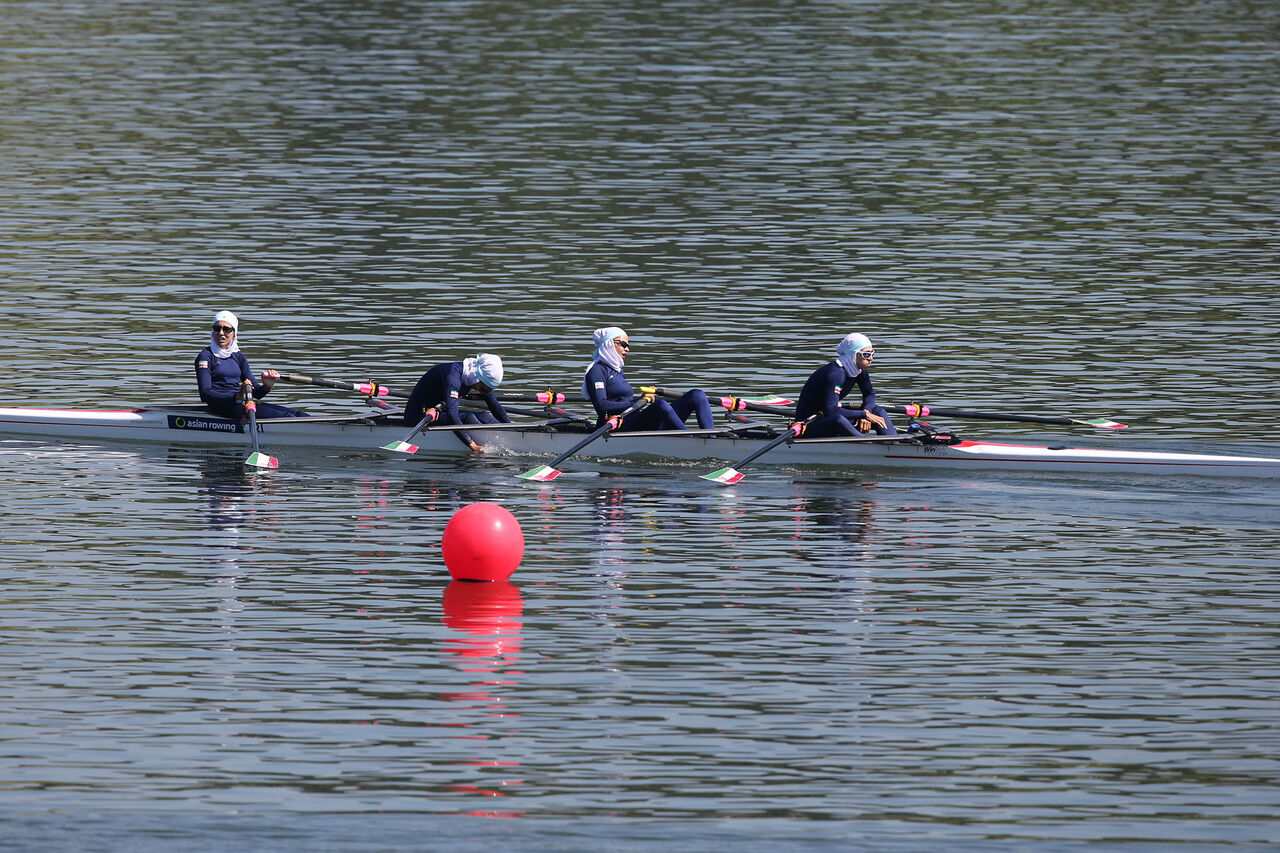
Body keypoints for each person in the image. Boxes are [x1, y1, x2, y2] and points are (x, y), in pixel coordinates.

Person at [582, 327, 714, 431]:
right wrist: (638, 402)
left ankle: (711, 440)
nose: (628, 349)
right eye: (623, 344)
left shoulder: (616, 370)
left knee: (696, 395)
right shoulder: (596, 371)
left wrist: (642, 399)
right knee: (660, 406)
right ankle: (690, 444)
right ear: (609, 344)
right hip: (616, 425)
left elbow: (624, 400)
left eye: (628, 345)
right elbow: (602, 406)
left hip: (633, 420)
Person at [195, 310, 308, 419]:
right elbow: (205, 394)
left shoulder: (238, 356)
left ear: (234, 333)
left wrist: (266, 386)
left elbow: (256, 393)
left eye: (226, 329)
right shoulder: (205, 357)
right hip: (221, 408)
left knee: (297, 414)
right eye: (217, 328)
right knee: (287, 417)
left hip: (241, 404)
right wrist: (237, 396)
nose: (221, 333)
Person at [794, 332, 897, 438]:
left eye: (872, 353)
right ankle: (870, 448)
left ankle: (894, 445)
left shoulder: (859, 370)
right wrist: (864, 415)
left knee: (878, 411)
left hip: (827, 417)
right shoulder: (836, 374)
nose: (871, 358)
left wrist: (867, 412)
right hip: (807, 425)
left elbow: (869, 394)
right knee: (839, 419)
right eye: (866, 354)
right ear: (853, 355)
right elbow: (831, 410)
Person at [403, 354, 509, 451]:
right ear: (478, 378)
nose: (481, 392)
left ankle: (510, 436)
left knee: (485, 415)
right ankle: (490, 444)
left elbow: (495, 407)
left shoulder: (474, 376)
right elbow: (452, 415)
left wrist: (513, 427)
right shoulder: (452, 378)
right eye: (482, 389)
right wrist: (473, 446)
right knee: (469, 418)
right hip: (418, 416)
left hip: (439, 411)